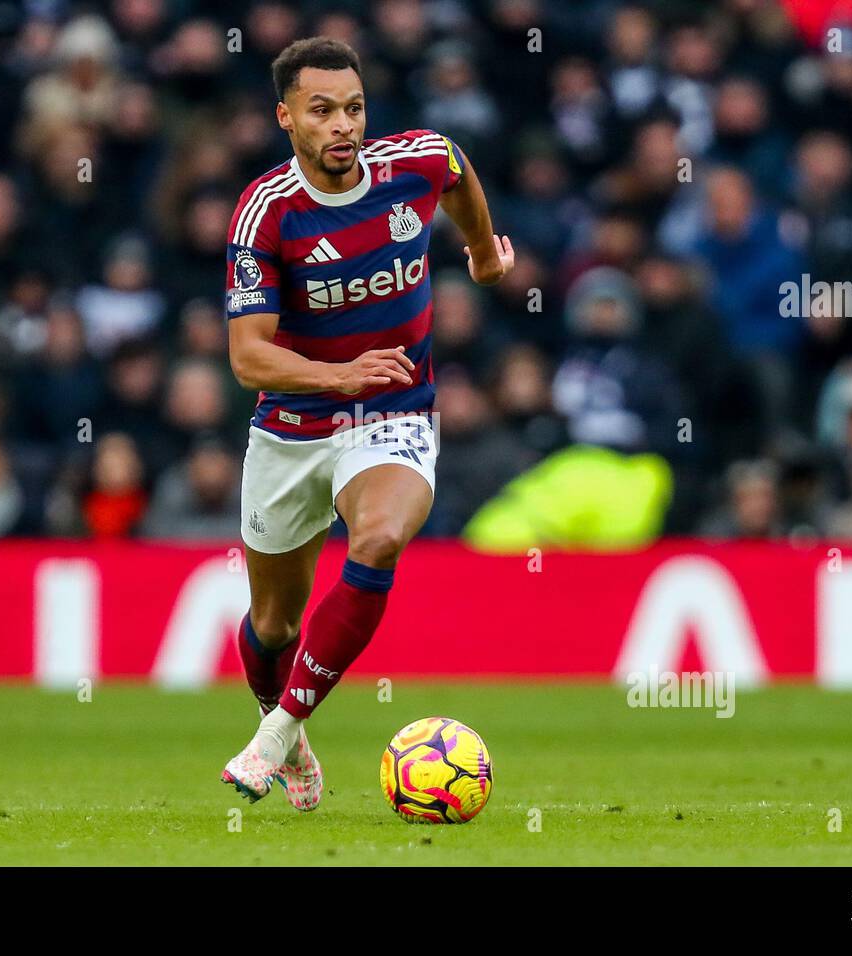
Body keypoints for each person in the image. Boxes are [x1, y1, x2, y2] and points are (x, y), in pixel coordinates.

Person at [219, 37, 513, 808]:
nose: (342, 125)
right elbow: (248, 358)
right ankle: (286, 730)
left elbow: (455, 168)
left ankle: (276, 736)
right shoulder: (265, 214)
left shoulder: (412, 165)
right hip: (291, 424)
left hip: (394, 412)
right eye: (322, 111)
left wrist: (483, 251)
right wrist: (335, 375)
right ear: (287, 119)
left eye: (353, 108)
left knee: (380, 536)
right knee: (273, 623)